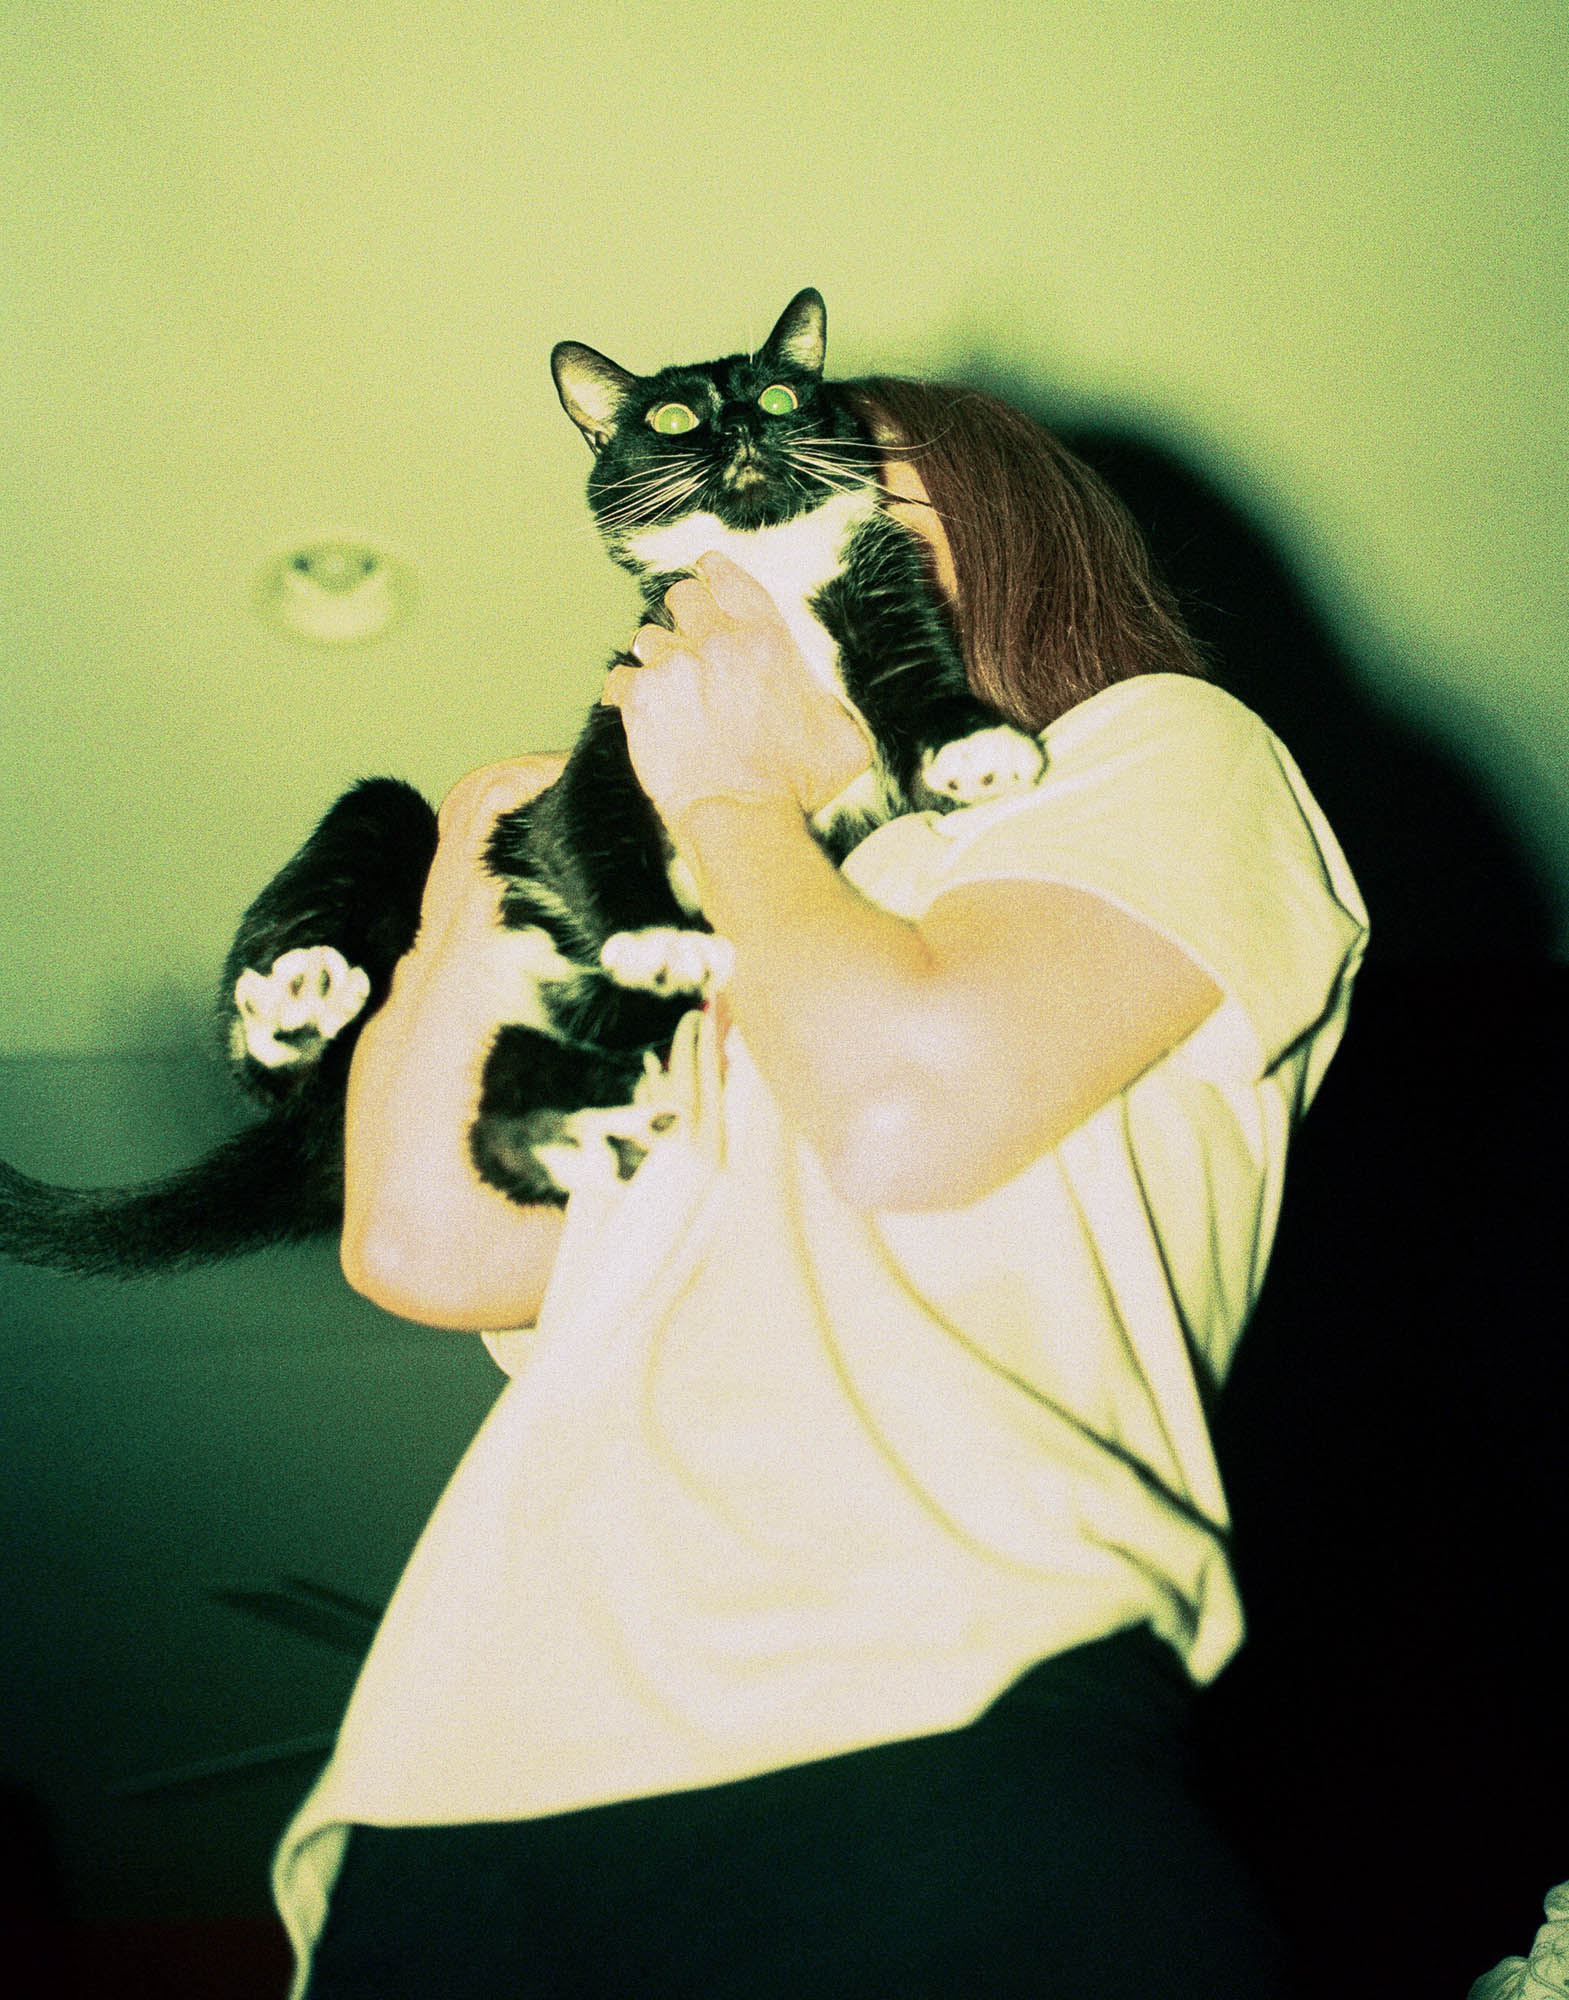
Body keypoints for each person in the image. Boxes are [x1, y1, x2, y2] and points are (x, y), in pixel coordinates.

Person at [274, 379, 1368, 1998]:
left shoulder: (1153, 752)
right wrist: (492, 849)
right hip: (443, 1800)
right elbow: (426, 1243)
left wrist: (731, 799)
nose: (747, 578)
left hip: (931, 1699)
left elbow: (904, 1110)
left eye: (810, 516)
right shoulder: (717, 931)